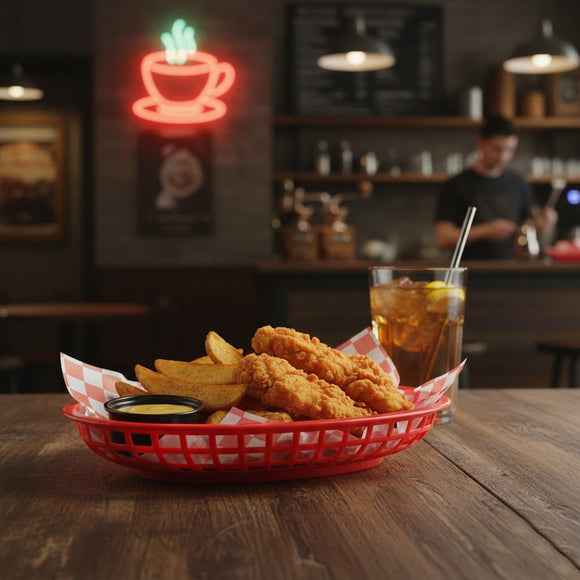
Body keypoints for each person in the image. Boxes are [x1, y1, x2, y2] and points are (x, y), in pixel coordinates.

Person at [435, 115, 558, 259]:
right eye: (497, 149)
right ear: (481, 142)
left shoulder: (518, 183)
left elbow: (528, 230)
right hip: (471, 271)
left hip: (511, 270)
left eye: (510, 150)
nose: (503, 157)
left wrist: (545, 224)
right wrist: (486, 231)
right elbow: (443, 239)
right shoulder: (456, 184)